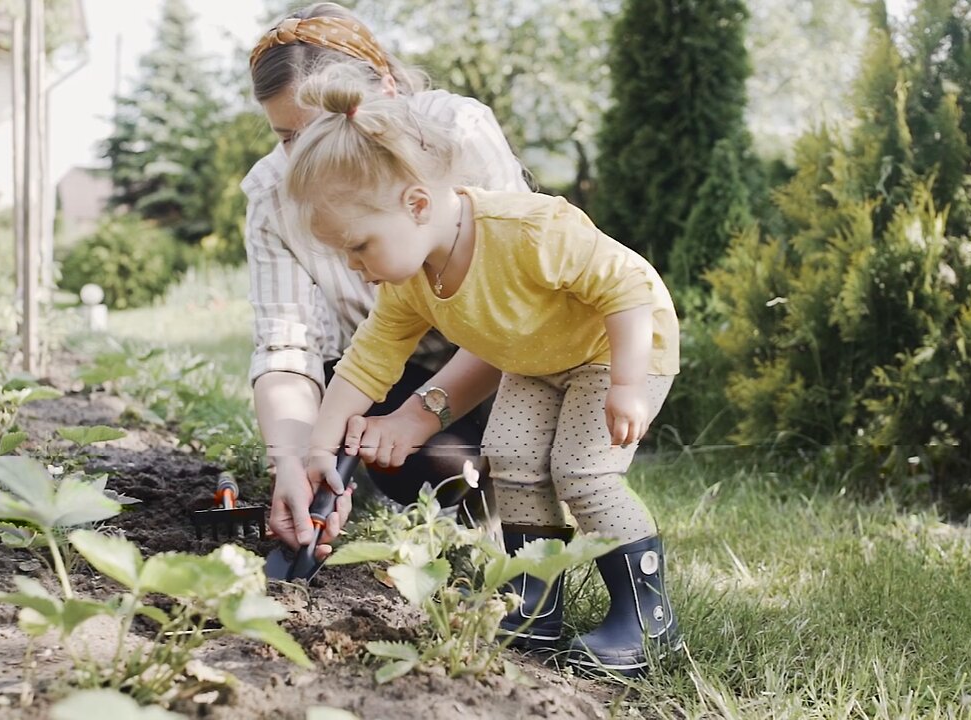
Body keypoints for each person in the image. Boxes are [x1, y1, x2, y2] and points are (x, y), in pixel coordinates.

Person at [284, 65, 685, 676]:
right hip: (540, 359)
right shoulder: (412, 280)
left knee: (584, 472)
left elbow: (626, 286)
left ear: (416, 204)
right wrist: (319, 443)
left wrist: (629, 384)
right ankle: (535, 604)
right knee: (513, 460)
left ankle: (648, 623)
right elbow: (368, 361)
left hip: (615, 346)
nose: (354, 265)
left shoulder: (528, 230)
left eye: (359, 245)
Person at [244, 2, 529, 558]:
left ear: (386, 94)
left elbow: (524, 312)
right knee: (431, 471)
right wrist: (299, 460)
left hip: (504, 358)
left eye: (321, 132)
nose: (309, 163)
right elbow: (288, 347)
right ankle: (460, 484)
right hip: (390, 369)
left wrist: (418, 417)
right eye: (286, 138)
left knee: (526, 447)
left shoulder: (460, 135)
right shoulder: (271, 196)